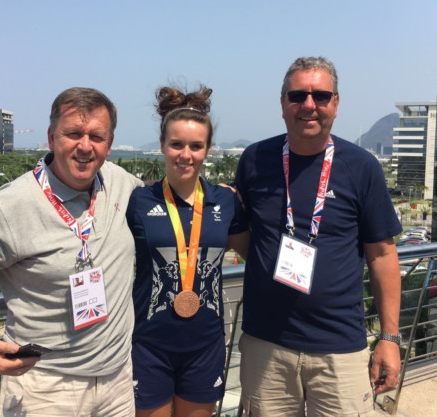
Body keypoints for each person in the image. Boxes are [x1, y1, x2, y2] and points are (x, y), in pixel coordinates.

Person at [0, 87, 144, 416]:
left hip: (117, 379)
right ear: (51, 137)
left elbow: (167, 199)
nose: (85, 146)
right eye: (73, 133)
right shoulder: (14, 204)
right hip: (45, 386)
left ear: (110, 143)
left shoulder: (120, 182)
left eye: (97, 136)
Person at [234, 56, 402, 416]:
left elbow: (383, 255)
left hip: (339, 348)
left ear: (336, 104)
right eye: (297, 96)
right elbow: (243, 235)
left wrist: (389, 338)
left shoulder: (361, 167)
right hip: (266, 343)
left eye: (321, 96)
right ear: (282, 103)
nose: (308, 105)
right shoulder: (254, 160)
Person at [126, 85, 249, 417]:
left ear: (208, 149)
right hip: (149, 344)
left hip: (205, 344)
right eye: (177, 144)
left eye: (196, 146)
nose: (186, 154)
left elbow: (254, 251)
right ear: (163, 146)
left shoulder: (224, 201)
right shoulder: (139, 201)